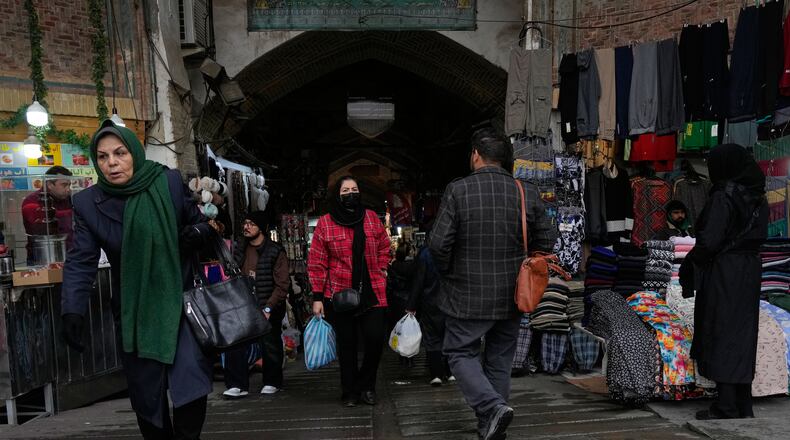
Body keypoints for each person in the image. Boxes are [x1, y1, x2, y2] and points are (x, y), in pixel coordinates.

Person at [61, 120, 216, 439]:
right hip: (136, 311)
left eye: (119, 153)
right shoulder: (88, 204)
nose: (112, 163)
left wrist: (195, 235)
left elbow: (202, 225)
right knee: (148, 397)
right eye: (102, 157)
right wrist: (72, 310)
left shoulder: (169, 182)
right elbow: (81, 259)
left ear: (134, 152)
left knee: (189, 384)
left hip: (181, 303)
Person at [429, 127, 556, 440]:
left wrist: (449, 272)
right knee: (499, 358)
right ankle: (491, 425)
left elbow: (437, 244)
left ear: (475, 155)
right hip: (513, 293)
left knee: (459, 352)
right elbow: (547, 240)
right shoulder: (524, 191)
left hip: (466, 293)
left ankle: (490, 409)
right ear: (507, 160)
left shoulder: (458, 190)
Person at [680, 144, 768, 420]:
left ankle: (726, 405)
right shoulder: (757, 195)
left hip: (725, 269)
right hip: (749, 269)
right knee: (742, 333)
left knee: (721, 331)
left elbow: (710, 239)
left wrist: (694, 262)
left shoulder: (724, 194)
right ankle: (742, 403)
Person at [307, 176, 391, 407]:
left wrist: (382, 266)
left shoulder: (372, 218)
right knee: (347, 345)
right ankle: (350, 391)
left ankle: (367, 385)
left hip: (373, 290)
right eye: (346, 190)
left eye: (354, 189)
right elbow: (317, 261)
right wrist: (317, 297)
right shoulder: (325, 223)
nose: (351, 193)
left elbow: (384, 245)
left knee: (375, 340)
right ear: (338, 194)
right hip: (339, 293)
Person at [223, 210, 290, 398]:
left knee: (269, 343)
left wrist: (268, 307)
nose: (246, 226)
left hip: (268, 304)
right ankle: (237, 384)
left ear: (261, 227)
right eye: (245, 223)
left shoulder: (275, 250)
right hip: (243, 303)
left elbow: (282, 284)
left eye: (251, 223)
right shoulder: (239, 249)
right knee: (235, 343)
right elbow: (231, 275)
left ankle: (272, 381)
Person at [406, 229, 454, 386]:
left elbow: (418, 281)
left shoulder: (425, 253)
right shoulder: (452, 250)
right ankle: (450, 371)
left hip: (430, 301)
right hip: (451, 300)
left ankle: (436, 374)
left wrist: (412, 305)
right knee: (450, 335)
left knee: (432, 338)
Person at [22, 165, 74, 264]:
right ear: (50, 184)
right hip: (42, 257)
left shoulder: (68, 199)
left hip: (69, 256)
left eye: (69, 185)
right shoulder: (32, 201)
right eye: (64, 185)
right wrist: (75, 212)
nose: (68, 189)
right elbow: (45, 217)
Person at [387, 242, 416, 367]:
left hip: (396, 300)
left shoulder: (393, 266)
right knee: (411, 330)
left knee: (399, 329)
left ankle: (401, 355)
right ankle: (410, 357)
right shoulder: (414, 266)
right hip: (410, 299)